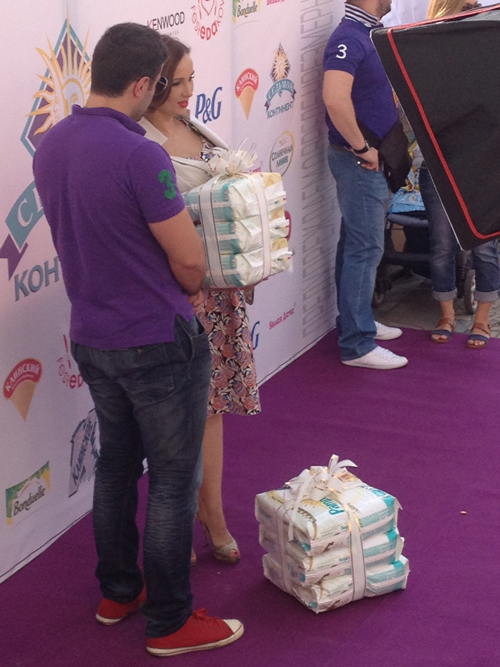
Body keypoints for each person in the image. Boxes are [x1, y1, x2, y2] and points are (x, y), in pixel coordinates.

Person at [33, 23, 243, 657]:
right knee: (174, 479)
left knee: (117, 467)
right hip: (157, 337)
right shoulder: (140, 154)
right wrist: (199, 280)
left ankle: (119, 591)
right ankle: (171, 620)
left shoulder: (51, 144)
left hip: (93, 335)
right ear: (145, 84)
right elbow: (189, 261)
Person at [139, 36, 261, 564]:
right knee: (170, 419)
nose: (190, 90)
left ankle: (211, 512)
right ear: (154, 83)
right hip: (178, 296)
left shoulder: (196, 128)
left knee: (210, 413)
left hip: (217, 292)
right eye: (180, 81)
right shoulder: (139, 142)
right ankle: (176, 519)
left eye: (193, 79)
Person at [323, 0, 408, 370]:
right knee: (365, 248)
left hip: (370, 158)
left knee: (355, 243)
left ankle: (357, 324)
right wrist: (362, 148)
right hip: (360, 161)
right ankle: (357, 343)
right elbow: (334, 98)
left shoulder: (364, 34)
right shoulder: (349, 38)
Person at [420, 0, 499, 348]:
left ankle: (482, 320)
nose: (474, 10)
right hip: (439, 164)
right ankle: (447, 315)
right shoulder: (424, 54)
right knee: (441, 245)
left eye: (477, 5)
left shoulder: (487, 48)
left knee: (485, 247)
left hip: (482, 165)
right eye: (467, 5)